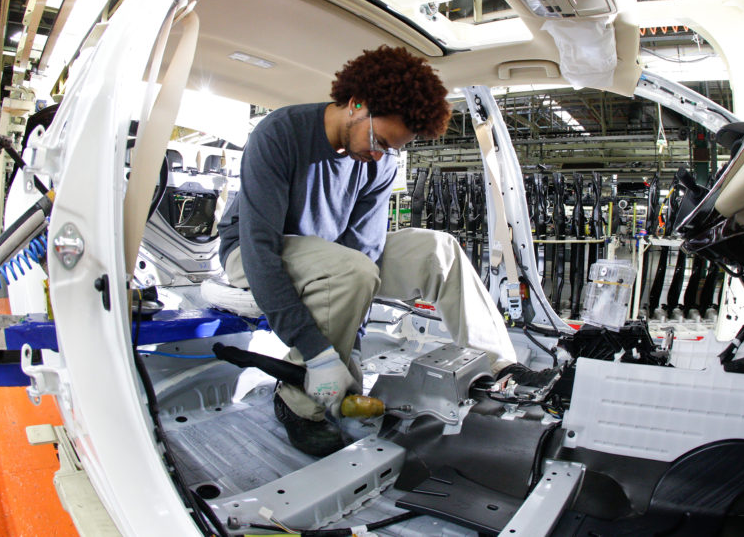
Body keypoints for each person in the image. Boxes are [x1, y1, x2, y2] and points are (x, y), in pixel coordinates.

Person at [217, 46, 554, 456]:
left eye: (391, 148)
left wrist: (352, 344)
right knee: (348, 271)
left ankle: (500, 366)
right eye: (378, 140)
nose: (378, 155)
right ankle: (296, 404)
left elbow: (365, 251)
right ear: (356, 104)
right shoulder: (279, 134)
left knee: (439, 249)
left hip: (332, 255)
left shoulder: (379, 162)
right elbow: (259, 249)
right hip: (254, 251)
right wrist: (317, 354)